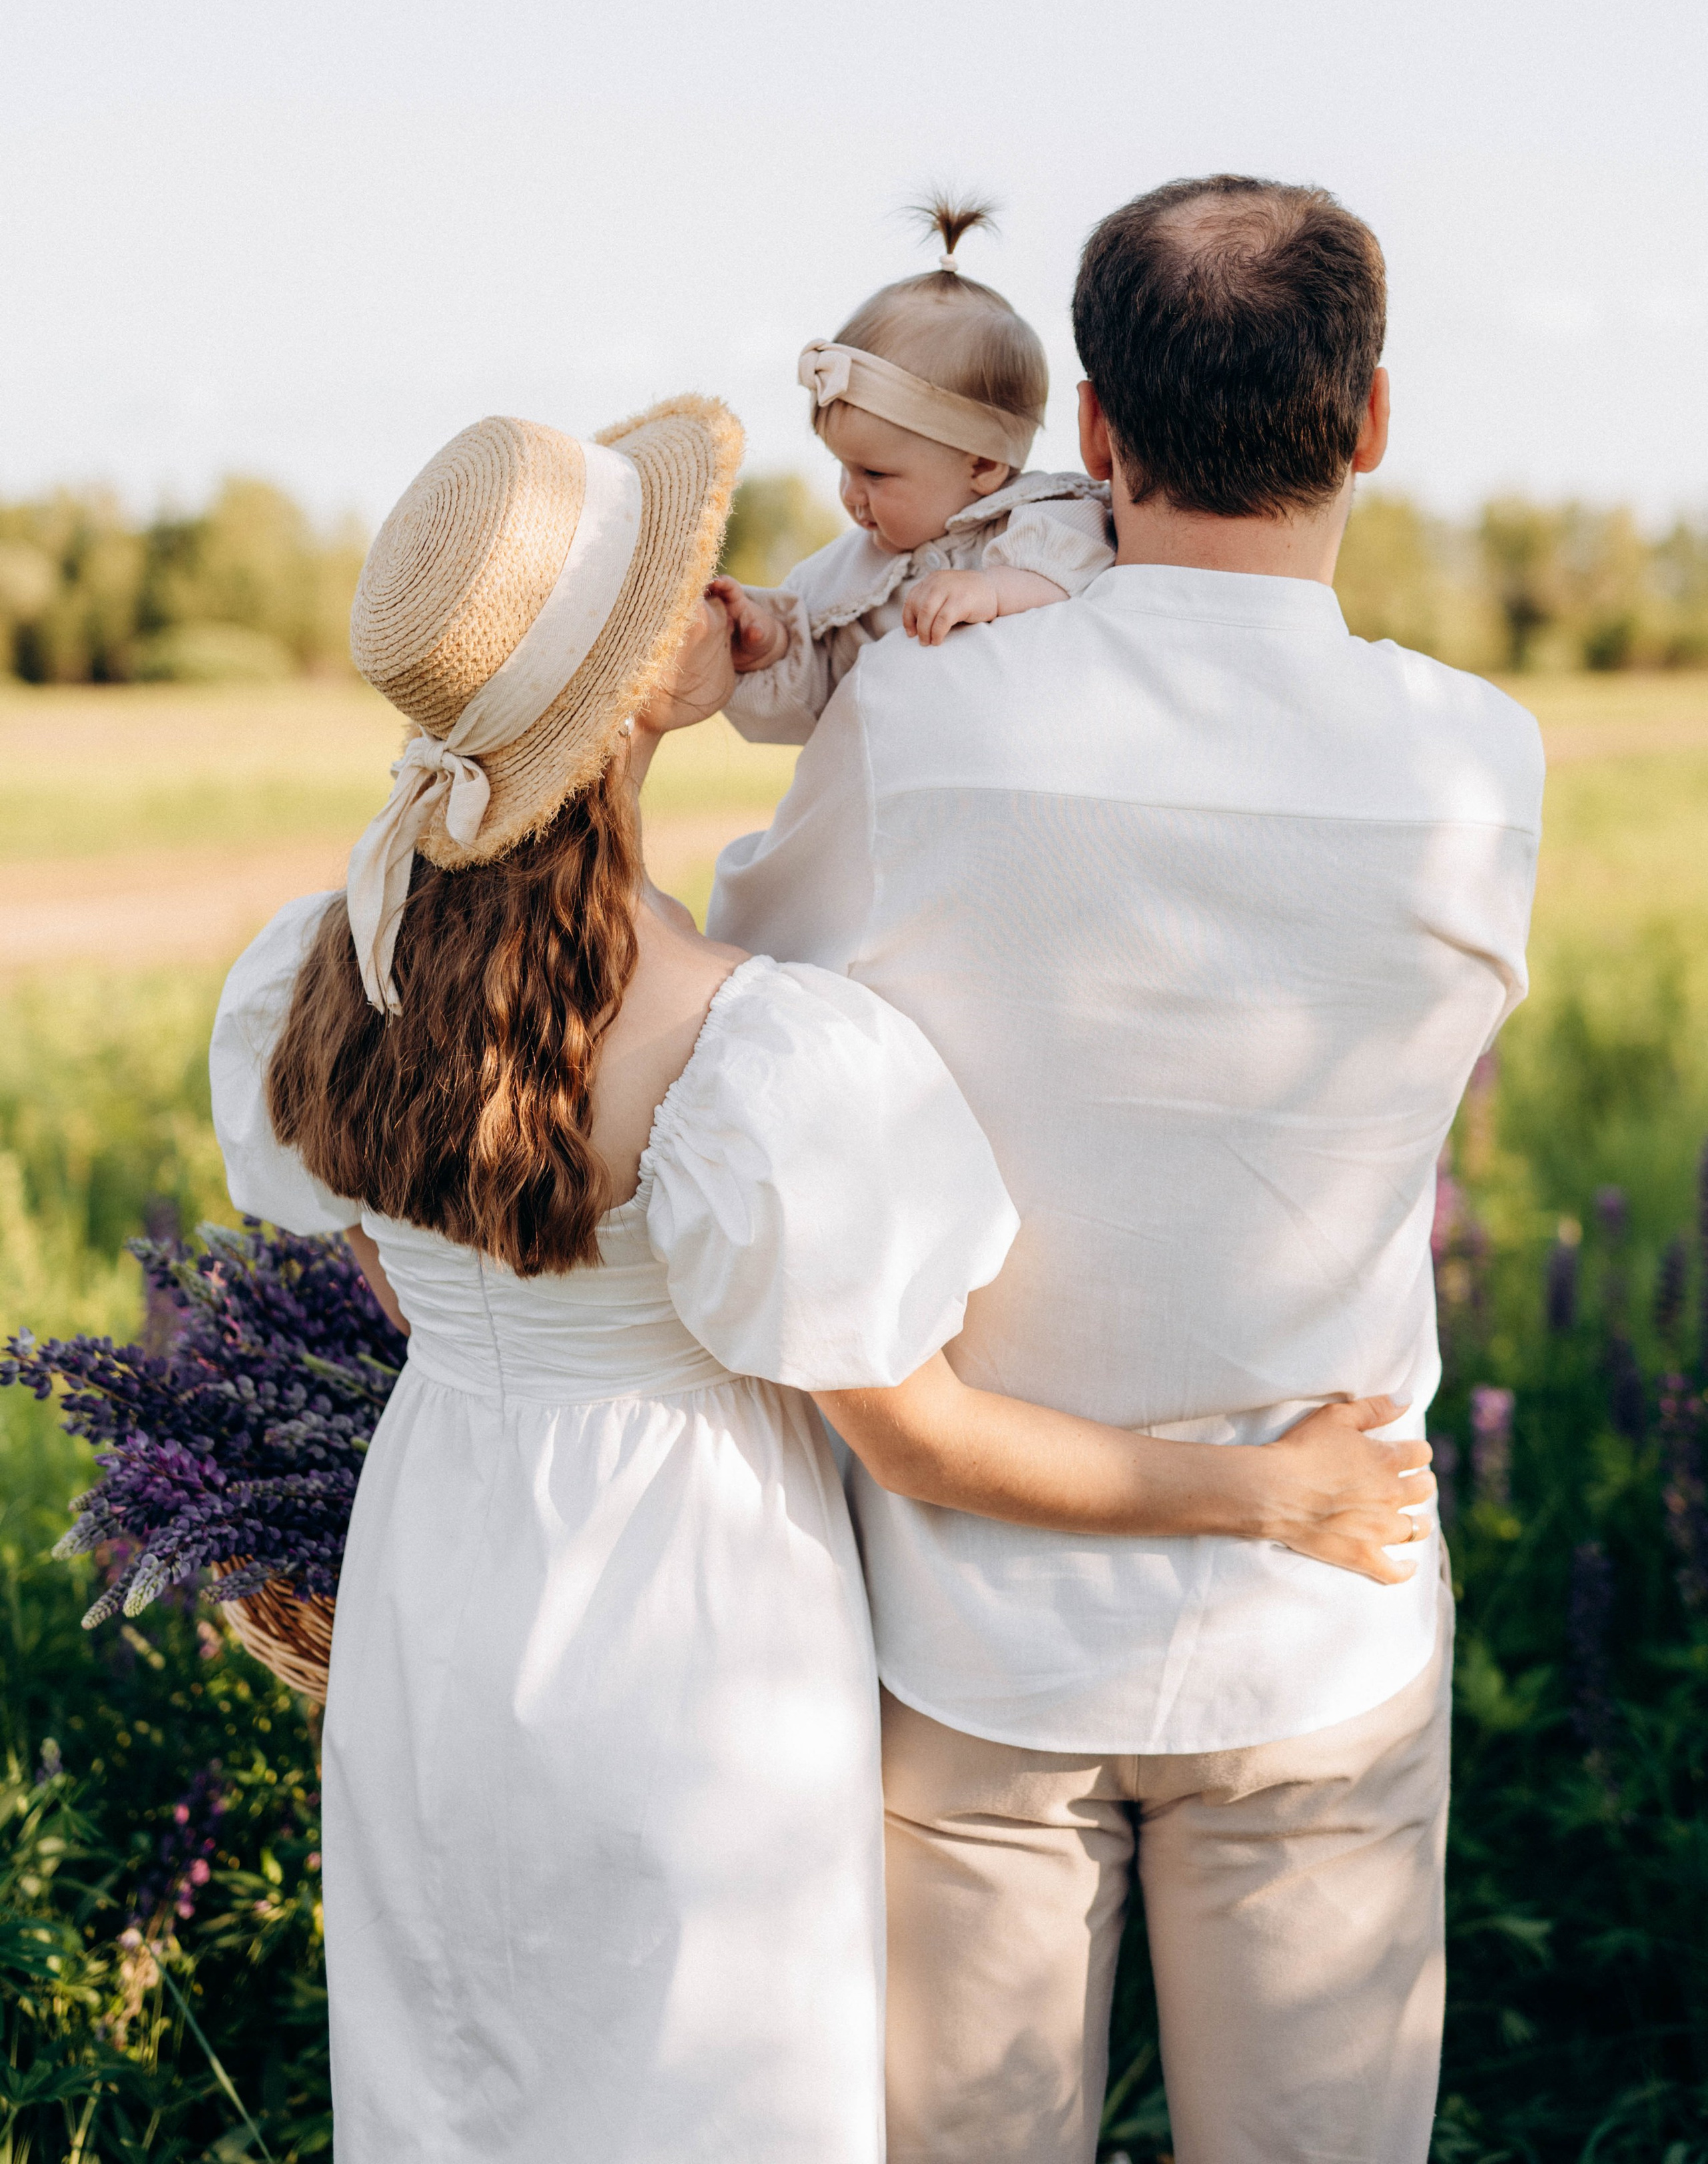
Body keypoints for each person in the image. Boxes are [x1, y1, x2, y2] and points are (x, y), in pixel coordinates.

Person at [207, 397, 1430, 2164]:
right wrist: (1272, 1492)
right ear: (634, 695)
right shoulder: (738, 1047)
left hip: (444, 1573)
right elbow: (921, 1442)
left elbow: (418, 1284)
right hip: (685, 1620)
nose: (734, 588)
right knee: (703, 2083)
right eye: (679, 587)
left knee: (475, 2065)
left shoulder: (343, 954)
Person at [710, 177, 1546, 2164]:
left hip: (970, 1613)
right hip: (1321, 1603)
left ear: (1087, 428)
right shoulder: (1473, 765)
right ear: (1365, 423)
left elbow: (755, 1003)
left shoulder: (924, 712)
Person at [713, 195, 1112, 740]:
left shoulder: (1040, 524)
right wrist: (774, 647)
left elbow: (1080, 570)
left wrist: (995, 590)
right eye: (843, 467)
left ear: (985, 463)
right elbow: (809, 716)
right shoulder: (846, 578)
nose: (851, 495)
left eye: (875, 474)